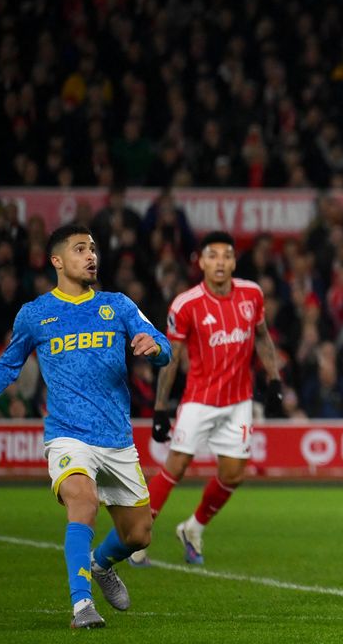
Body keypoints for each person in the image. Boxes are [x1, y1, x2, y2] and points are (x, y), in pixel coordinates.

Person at [0, 224, 171, 629]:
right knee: (83, 501)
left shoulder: (119, 305)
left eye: (92, 248)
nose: (91, 255)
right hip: (67, 434)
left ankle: (100, 564)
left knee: (140, 535)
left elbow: (163, 345)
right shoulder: (36, 313)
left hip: (116, 437)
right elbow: (8, 363)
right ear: (57, 261)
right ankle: (82, 606)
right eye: (79, 249)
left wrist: (155, 348)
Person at [130, 231, 282, 567]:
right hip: (199, 399)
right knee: (177, 466)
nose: (220, 262)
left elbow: (262, 337)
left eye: (226, 255)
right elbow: (171, 358)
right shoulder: (186, 304)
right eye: (212, 256)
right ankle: (138, 538)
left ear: (233, 261)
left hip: (239, 400)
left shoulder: (252, 294)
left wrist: (274, 380)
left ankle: (193, 528)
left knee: (233, 474)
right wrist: (159, 409)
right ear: (201, 262)